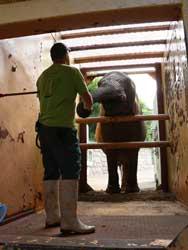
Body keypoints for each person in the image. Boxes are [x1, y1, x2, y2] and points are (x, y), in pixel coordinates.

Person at [36, 42, 95, 234]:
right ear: (66, 55)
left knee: (51, 170)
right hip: (63, 129)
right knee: (71, 169)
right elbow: (87, 99)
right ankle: (69, 222)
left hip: (44, 130)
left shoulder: (42, 77)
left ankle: (52, 217)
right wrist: (85, 110)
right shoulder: (72, 72)